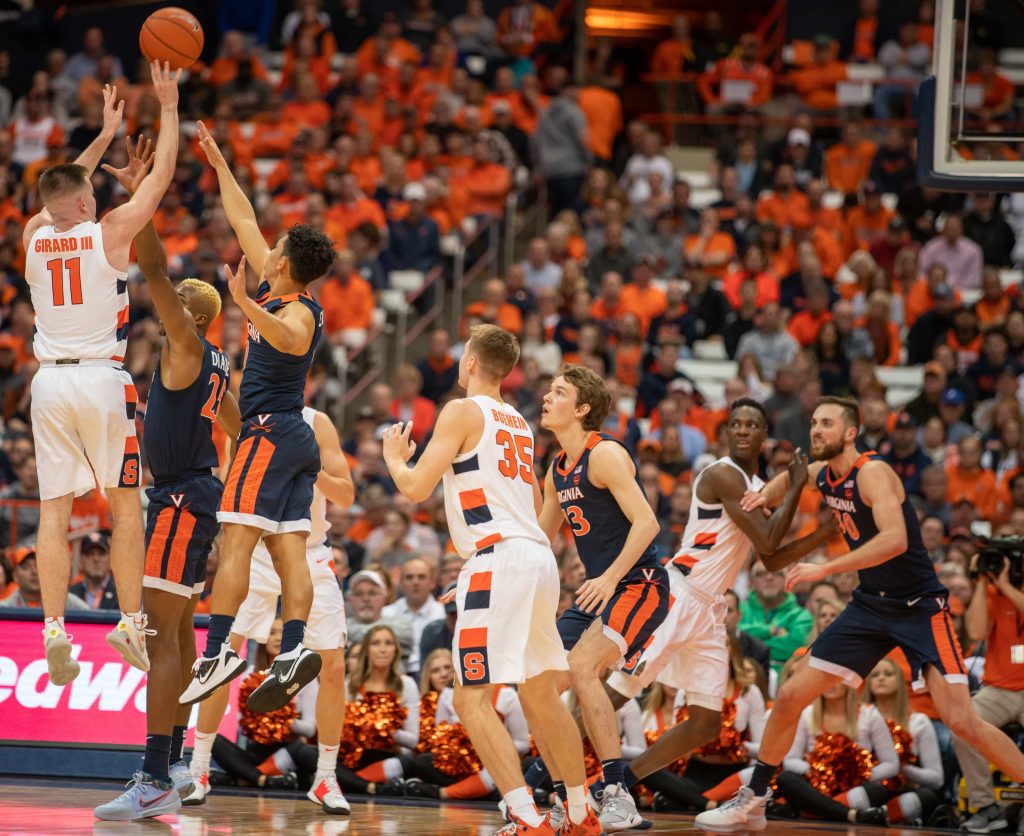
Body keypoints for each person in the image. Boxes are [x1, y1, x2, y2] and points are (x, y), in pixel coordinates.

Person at [695, 396, 1024, 832]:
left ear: (850, 432)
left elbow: (895, 541)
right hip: (871, 604)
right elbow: (790, 477)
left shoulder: (873, 474)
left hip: (920, 607)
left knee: (964, 721)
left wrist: (825, 568)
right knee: (791, 695)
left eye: (826, 424)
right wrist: (760, 497)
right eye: (813, 423)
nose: (815, 431)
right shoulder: (821, 472)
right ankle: (753, 801)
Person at [382, 324, 599, 835]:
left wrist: (395, 458)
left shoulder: (461, 410)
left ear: (472, 362)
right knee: (542, 693)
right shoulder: (520, 423)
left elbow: (415, 488)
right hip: (532, 558)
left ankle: (526, 817)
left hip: (500, 558)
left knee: (469, 699)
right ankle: (579, 810)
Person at [95, 136, 242, 823]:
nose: (169, 299)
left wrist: (141, 194)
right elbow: (240, 427)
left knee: (159, 638)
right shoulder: (214, 365)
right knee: (177, 638)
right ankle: (175, 761)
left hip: (182, 497)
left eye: (182, 299)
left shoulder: (187, 341)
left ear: (197, 314)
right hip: (196, 495)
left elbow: (151, 262)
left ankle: (153, 772)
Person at [22, 63, 180, 686]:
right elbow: (161, 177)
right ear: (89, 200)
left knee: (53, 511)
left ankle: (55, 628)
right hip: (99, 378)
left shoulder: (34, 235)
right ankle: (130, 620)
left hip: (47, 383)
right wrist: (165, 107)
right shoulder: (110, 233)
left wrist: (103, 135)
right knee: (124, 504)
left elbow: (60, 189)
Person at [179, 121, 337, 713]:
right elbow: (244, 216)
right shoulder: (277, 284)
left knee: (237, 541)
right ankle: (293, 649)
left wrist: (243, 302)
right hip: (294, 440)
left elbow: (289, 341)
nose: (262, 247)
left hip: (270, 435)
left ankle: (218, 649)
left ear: (285, 263)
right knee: (290, 552)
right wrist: (221, 166)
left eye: (273, 249)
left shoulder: (296, 309)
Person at [603, 400, 831, 801]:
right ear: (727, 433)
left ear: (763, 436)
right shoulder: (723, 474)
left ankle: (619, 786)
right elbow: (769, 539)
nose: (743, 430)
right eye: (736, 424)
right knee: (615, 693)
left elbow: (772, 557)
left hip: (710, 608)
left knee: (707, 723)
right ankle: (542, 775)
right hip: (679, 594)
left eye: (752, 424)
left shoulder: (757, 490)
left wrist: (825, 533)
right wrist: (795, 485)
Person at [186, 407, 354, 815]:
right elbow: (228, 488)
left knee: (332, 666)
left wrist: (308, 466)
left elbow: (346, 495)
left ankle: (325, 777)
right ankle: (198, 768)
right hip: (255, 553)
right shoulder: (248, 422)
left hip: (308, 552)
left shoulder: (318, 423)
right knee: (222, 657)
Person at [527, 364, 669, 831]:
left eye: (559, 392)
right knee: (538, 682)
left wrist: (608, 578)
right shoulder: (556, 468)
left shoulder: (603, 454)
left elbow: (648, 523)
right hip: (599, 590)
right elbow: (538, 539)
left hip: (639, 582)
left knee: (583, 667)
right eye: (549, 390)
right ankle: (564, 794)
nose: (547, 397)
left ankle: (617, 793)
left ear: (582, 409)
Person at [954, 546, 1024, 833]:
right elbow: (976, 632)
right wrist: (983, 582)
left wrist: (1006, 584)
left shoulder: (1007, 589)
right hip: (999, 690)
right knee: (963, 726)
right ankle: (986, 806)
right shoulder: (994, 594)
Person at [69, 532, 119, 610]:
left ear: (110, 559)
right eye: (90, 554)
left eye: (101, 554)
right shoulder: (70, 594)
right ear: (81, 560)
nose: (96, 559)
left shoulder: (120, 595)